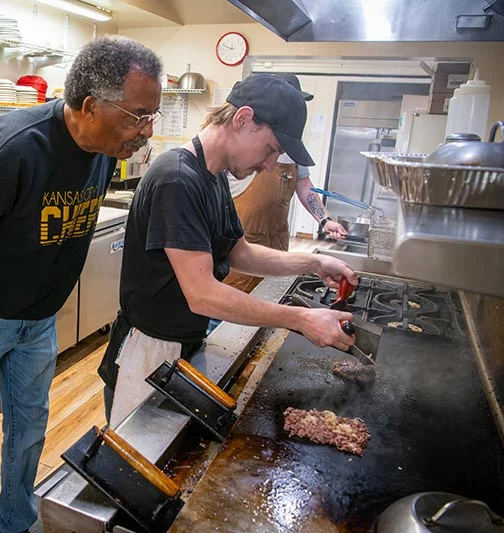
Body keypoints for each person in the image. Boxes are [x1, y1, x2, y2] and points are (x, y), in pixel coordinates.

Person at [0, 36, 163, 533]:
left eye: (152, 115)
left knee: (27, 434)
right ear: (90, 106)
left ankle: (14, 523)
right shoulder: (12, 148)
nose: (146, 131)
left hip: (38, 323)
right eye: (137, 116)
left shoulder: (107, 148)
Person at [98, 74, 358, 425]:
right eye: (271, 150)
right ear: (243, 120)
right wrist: (301, 319)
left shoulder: (214, 175)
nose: (270, 165)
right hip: (148, 353)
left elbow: (240, 253)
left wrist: (313, 262)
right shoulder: (177, 179)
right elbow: (202, 295)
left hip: (183, 344)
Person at [223, 73, 347, 294]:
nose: (270, 163)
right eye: (270, 151)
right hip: (241, 247)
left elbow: (304, 184)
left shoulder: (291, 149)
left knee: (269, 298)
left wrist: (324, 219)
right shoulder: (231, 156)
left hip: (276, 245)